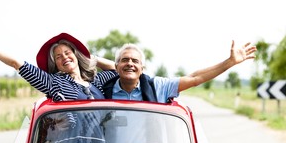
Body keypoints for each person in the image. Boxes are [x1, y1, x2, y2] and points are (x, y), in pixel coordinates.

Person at [0, 32, 117, 101]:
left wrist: (90, 58)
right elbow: (16, 63)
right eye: (58, 57)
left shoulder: (95, 80)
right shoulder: (53, 83)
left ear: (75, 55)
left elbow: (116, 69)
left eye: (67, 53)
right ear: (56, 64)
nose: (64, 57)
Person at [102, 41, 257, 103]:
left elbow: (195, 78)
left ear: (142, 68)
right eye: (125, 60)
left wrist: (229, 62)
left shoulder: (158, 87)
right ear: (115, 67)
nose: (130, 64)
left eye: (135, 61)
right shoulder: (102, 90)